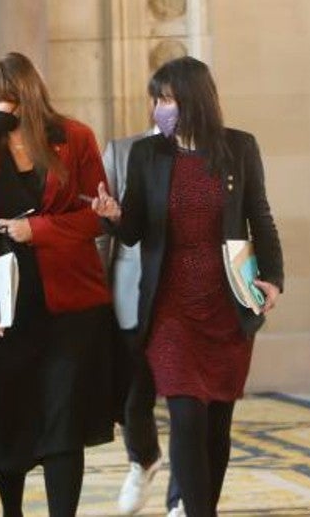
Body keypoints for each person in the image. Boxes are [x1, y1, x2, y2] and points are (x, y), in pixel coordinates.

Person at [91, 56, 283, 517]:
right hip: (169, 307)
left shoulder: (239, 148)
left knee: (217, 424)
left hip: (226, 303)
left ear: (194, 100)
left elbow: (261, 216)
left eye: (167, 99)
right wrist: (114, 218)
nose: (159, 108)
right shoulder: (147, 154)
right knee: (187, 415)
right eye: (155, 100)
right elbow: (135, 229)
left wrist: (273, 277)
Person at [0, 52, 115, 517]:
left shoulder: (75, 138)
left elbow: (97, 216)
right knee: (12, 416)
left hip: (70, 306)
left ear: (23, 99)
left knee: (64, 422)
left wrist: (39, 231)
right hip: (9, 307)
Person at [98, 122, 184, 516]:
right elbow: (103, 231)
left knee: (188, 404)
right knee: (134, 398)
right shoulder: (122, 150)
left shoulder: (212, 150)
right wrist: (96, 294)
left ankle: (183, 495)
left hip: (185, 295)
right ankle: (144, 458)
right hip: (131, 291)